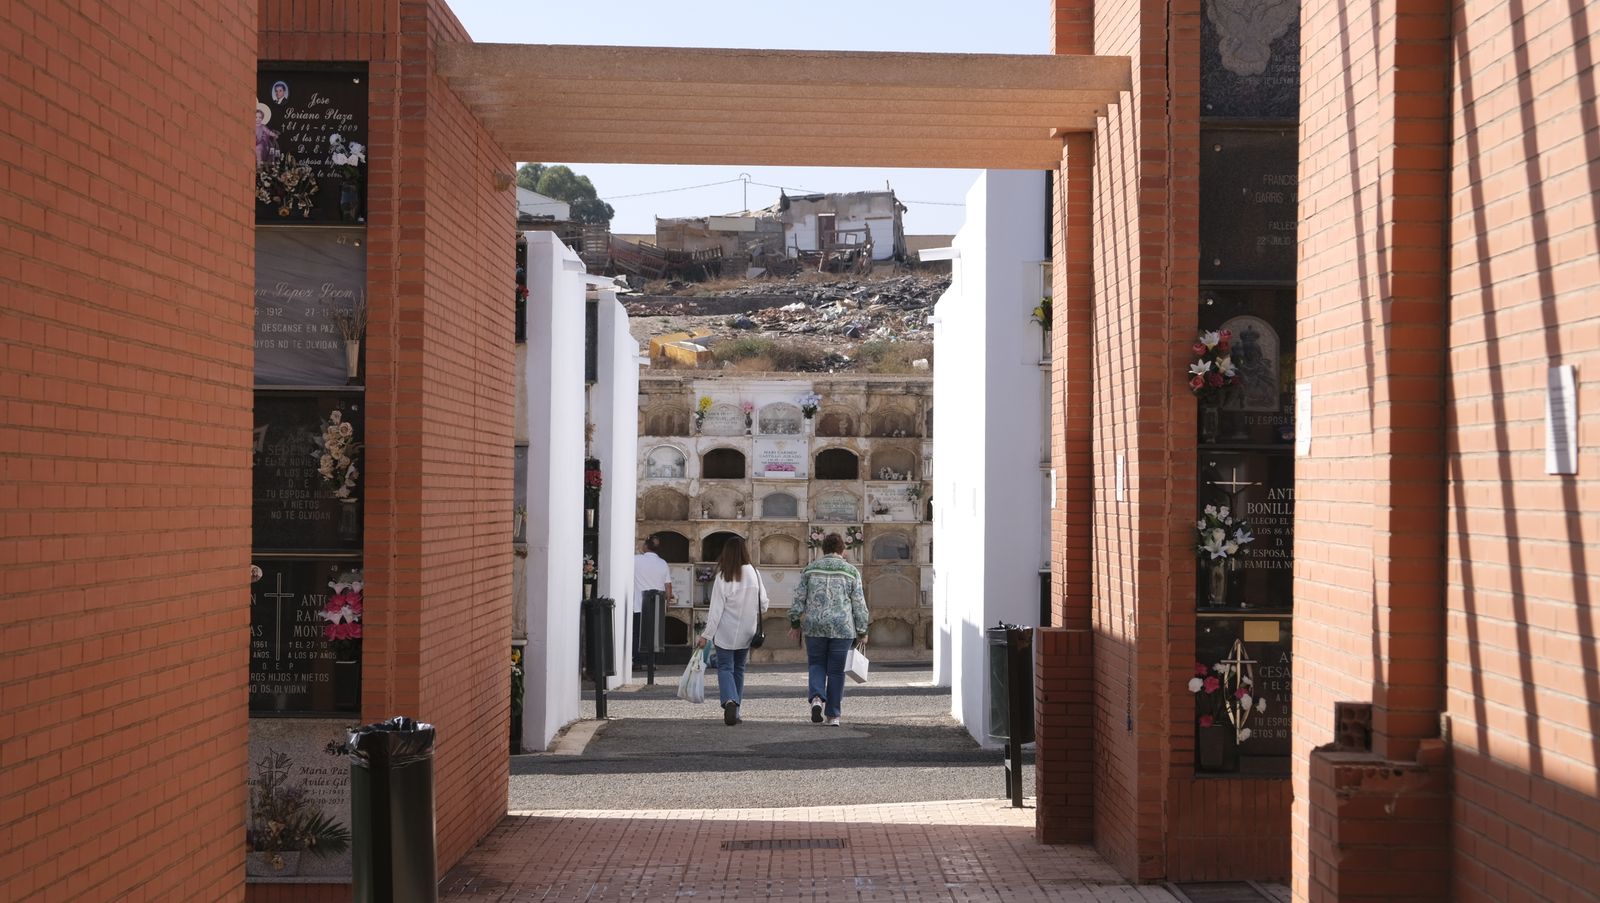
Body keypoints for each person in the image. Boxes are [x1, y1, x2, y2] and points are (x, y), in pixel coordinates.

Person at [788, 532, 868, 726]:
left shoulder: (810, 569)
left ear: (823, 548)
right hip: (842, 628)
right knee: (836, 671)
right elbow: (858, 603)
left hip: (815, 626)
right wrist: (863, 630)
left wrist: (795, 623)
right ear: (842, 549)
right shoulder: (850, 571)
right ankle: (833, 715)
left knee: (816, 664)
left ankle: (816, 698)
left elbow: (799, 598)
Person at [695, 536, 768, 725]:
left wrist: (706, 635)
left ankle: (729, 700)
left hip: (725, 630)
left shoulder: (723, 576)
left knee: (725, 667)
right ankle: (736, 711)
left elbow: (716, 611)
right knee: (739, 669)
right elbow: (764, 605)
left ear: (725, 554)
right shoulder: (754, 573)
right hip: (747, 630)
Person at [632, 534, 673, 668]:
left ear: (645, 546)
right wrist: (668, 602)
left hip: (638, 604)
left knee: (637, 634)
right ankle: (651, 662)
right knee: (653, 635)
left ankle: (637, 662)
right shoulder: (663, 563)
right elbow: (668, 586)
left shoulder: (635, 560)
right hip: (656, 606)